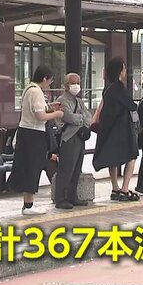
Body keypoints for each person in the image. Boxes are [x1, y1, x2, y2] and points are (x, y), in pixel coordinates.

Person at [7, 64, 64, 215]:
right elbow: (40, 116)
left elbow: (36, 111)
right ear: (44, 79)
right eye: (50, 81)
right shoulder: (36, 92)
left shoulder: (28, 89)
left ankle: (28, 203)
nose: (49, 84)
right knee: (32, 168)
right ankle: (29, 205)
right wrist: (57, 114)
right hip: (34, 135)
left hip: (26, 133)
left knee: (29, 168)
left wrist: (50, 107)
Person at [93, 58, 140, 202]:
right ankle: (125, 189)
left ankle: (115, 187)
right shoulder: (120, 88)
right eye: (124, 68)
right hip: (122, 128)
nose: (125, 71)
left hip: (108, 127)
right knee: (132, 155)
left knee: (112, 158)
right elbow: (131, 105)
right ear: (120, 71)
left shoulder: (107, 88)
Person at [54, 73, 91, 209]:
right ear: (66, 86)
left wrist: (80, 118)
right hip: (68, 137)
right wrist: (81, 118)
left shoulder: (79, 101)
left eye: (78, 83)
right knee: (66, 169)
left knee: (76, 169)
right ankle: (60, 198)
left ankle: (72, 196)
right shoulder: (62, 100)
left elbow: (89, 117)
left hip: (80, 137)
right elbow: (68, 117)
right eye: (73, 83)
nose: (76, 86)